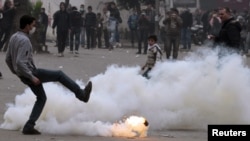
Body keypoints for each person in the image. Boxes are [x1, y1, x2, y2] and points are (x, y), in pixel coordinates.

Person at [5, 15, 92, 135]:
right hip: (30, 73)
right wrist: (31, 76)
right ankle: (82, 95)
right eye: (32, 25)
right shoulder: (24, 40)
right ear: (27, 26)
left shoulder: (14, 37)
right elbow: (20, 62)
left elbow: (8, 59)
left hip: (24, 74)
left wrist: (16, 72)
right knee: (59, 75)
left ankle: (29, 126)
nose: (33, 27)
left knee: (41, 98)